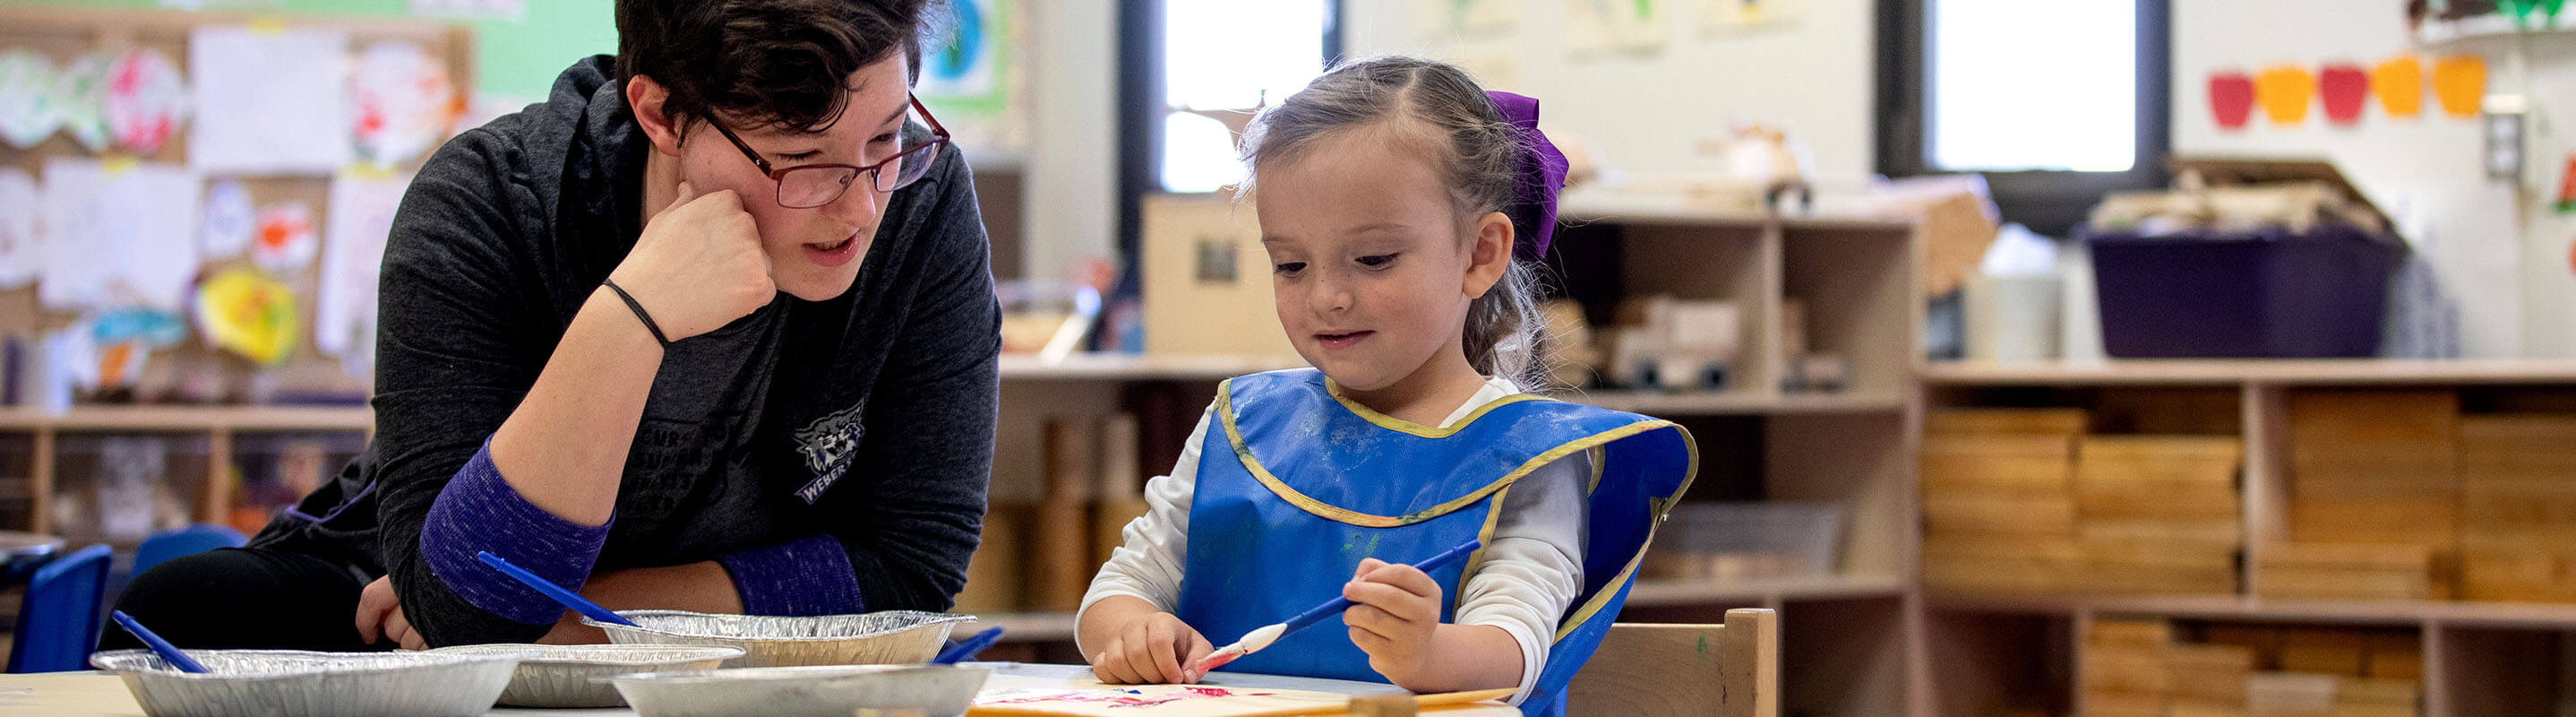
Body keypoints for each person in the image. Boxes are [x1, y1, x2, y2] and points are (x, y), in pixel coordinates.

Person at [107, 0, 999, 652]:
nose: (861, 207)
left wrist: (584, 619)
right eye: (803, 162)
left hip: (723, 620)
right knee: (179, 606)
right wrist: (628, 319)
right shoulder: (488, 200)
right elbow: (462, 612)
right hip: (396, 601)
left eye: (887, 139)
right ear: (659, 113)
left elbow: (910, 569)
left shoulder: (922, 207)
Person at [1074, 56, 1696, 717]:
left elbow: (1515, 648)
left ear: (1481, 254)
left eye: (1373, 259)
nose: (1328, 297)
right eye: (1290, 265)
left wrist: (1427, 653)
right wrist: (1131, 631)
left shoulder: (1528, 453)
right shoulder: (1242, 425)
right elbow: (1117, 591)